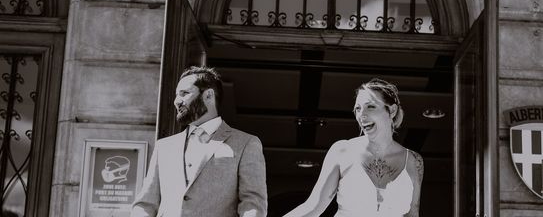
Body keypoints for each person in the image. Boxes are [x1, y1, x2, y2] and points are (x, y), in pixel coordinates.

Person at [131, 66, 267, 217]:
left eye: (184, 93)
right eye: (177, 95)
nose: (177, 101)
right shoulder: (164, 147)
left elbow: (252, 205)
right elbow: (145, 205)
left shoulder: (246, 143)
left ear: (208, 95)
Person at [284, 78, 423, 217]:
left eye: (370, 106)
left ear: (392, 110)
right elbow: (313, 207)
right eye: (358, 108)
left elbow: (413, 214)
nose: (362, 115)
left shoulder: (414, 161)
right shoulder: (342, 151)